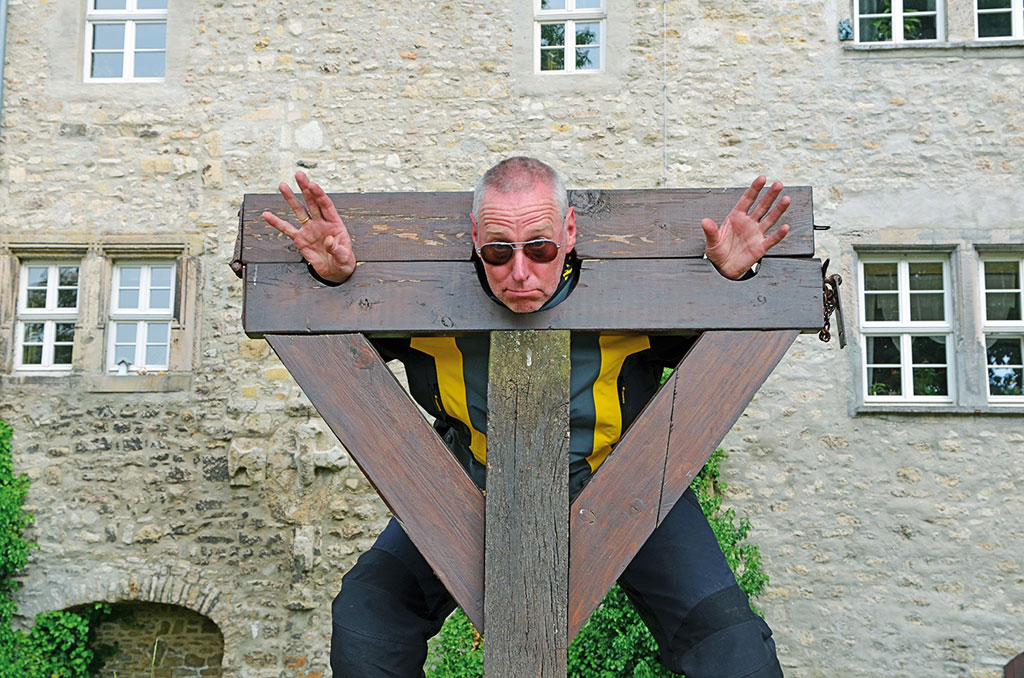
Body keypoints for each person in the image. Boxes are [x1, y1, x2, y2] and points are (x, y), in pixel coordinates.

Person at [263, 157, 791, 678]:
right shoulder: (418, 307)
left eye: (540, 248)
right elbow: (347, 338)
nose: (519, 272)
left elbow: (711, 339)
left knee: (735, 652)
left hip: (626, 474)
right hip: (471, 479)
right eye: (498, 251)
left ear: (570, 232)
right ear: (474, 238)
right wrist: (333, 284)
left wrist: (732, 282)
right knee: (366, 625)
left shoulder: (643, 302)